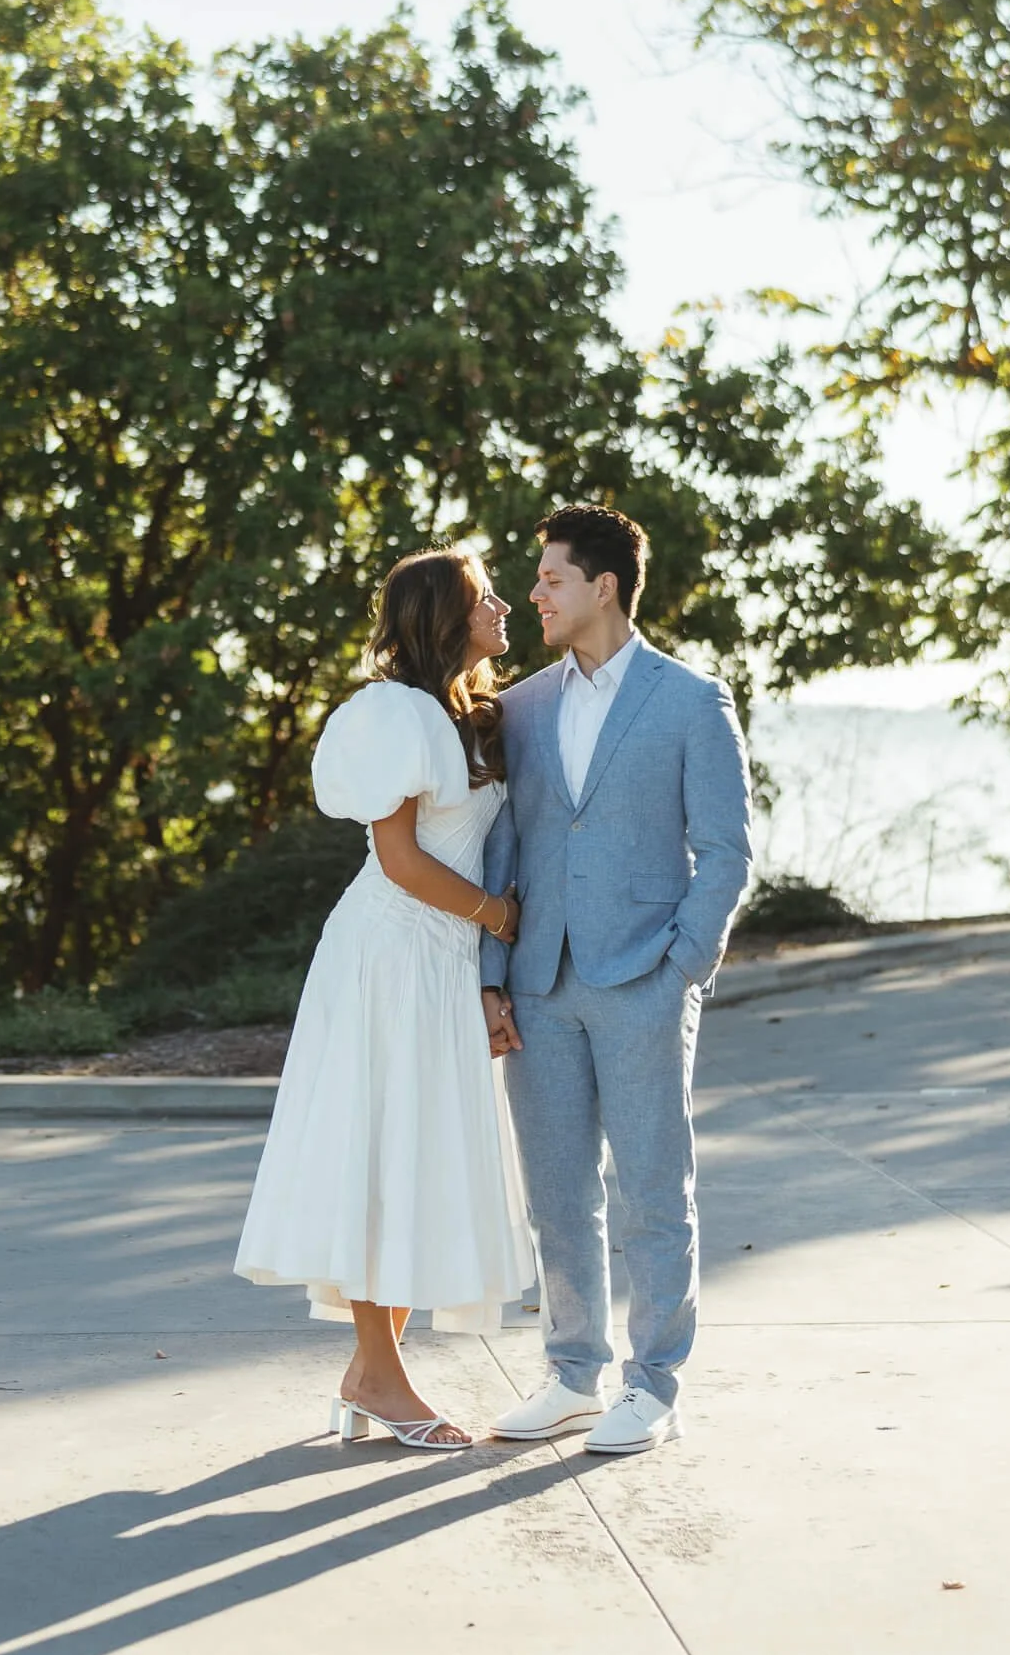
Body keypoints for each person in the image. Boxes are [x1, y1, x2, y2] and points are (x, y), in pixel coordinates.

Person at [233, 548, 535, 1450]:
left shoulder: (462, 714)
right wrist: (499, 918)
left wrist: (484, 967)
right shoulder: (395, 713)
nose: (506, 605)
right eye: (486, 598)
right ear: (445, 617)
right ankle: (387, 1380)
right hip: (389, 959)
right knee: (380, 1155)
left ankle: (372, 1373)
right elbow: (401, 863)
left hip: (439, 961)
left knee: (416, 1157)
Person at [478, 503, 752, 1456]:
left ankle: (653, 1383)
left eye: (550, 578)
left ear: (603, 586)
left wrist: (683, 967)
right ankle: (570, 1373)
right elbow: (500, 849)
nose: (535, 594)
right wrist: (490, 978)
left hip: (644, 977)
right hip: (539, 977)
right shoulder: (519, 706)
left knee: (649, 1187)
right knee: (557, 1190)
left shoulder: (691, 700)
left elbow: (724, 852)